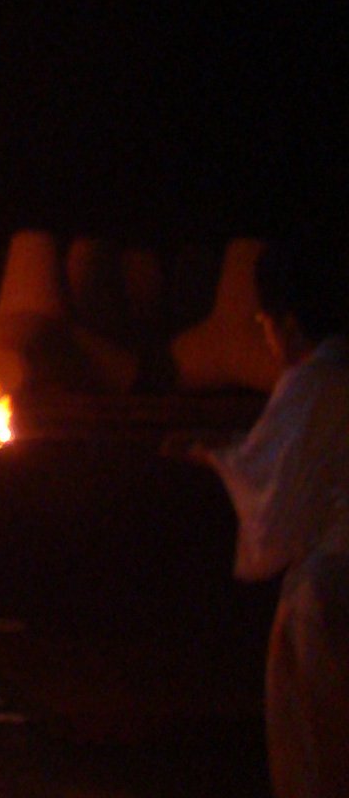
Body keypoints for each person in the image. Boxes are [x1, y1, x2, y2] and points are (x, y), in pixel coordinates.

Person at [189, 236, 349, 798]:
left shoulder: (311, 381)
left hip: (329, 584)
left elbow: (271, 480)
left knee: (312, 740)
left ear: (285, 322)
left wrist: (210, 456)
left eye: (263, 322)